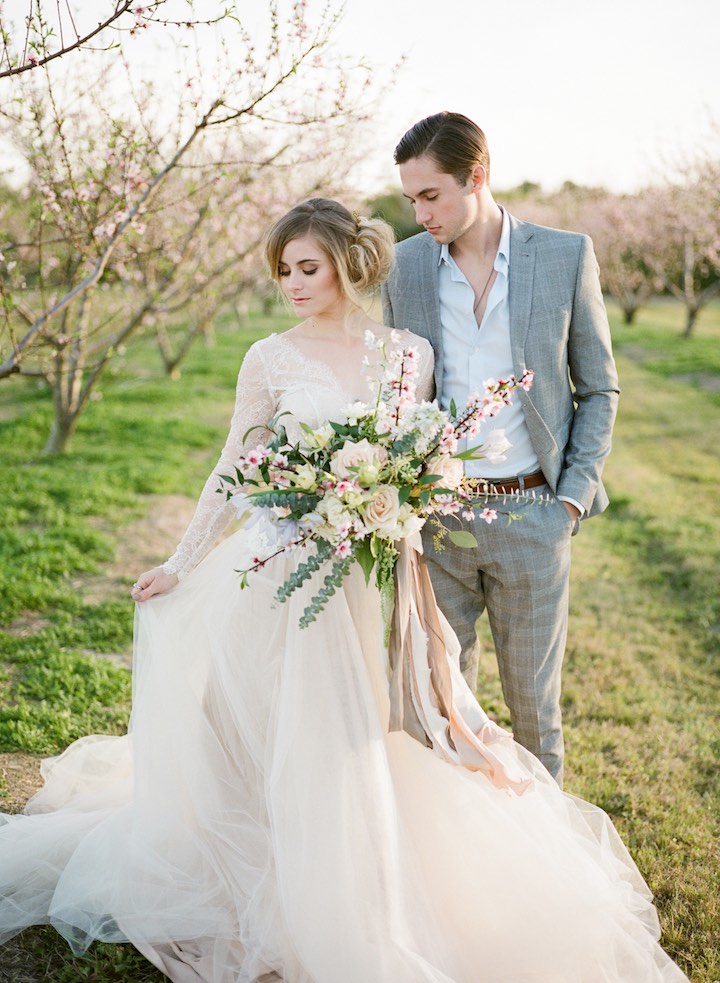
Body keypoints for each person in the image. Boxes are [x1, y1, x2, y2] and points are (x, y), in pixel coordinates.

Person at [0, 198, 686, 982]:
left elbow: (423, 460)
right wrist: (181, 563)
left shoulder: (408, 354)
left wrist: (399, 509)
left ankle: (372, 880)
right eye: (283, 270)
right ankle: (269, 878)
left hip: (370, 581)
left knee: (376, 738)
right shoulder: (267, 356)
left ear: (345, 266)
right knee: (269, 736)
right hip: (280, 580)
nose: (292, 283)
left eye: (307, 268)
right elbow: (233, 466)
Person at [381, 111, 620, 785]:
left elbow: (599, 388)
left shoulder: (565, 255)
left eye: (431, 195)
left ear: (477, 176)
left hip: (534, 516)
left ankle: (550, 863)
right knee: (435, 707)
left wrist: (569, 500)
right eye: (412, 199)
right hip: (439, 524)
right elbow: (396, 391)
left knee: (534, 713)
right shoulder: (403, 268)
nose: (421, 211)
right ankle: (456, 863)